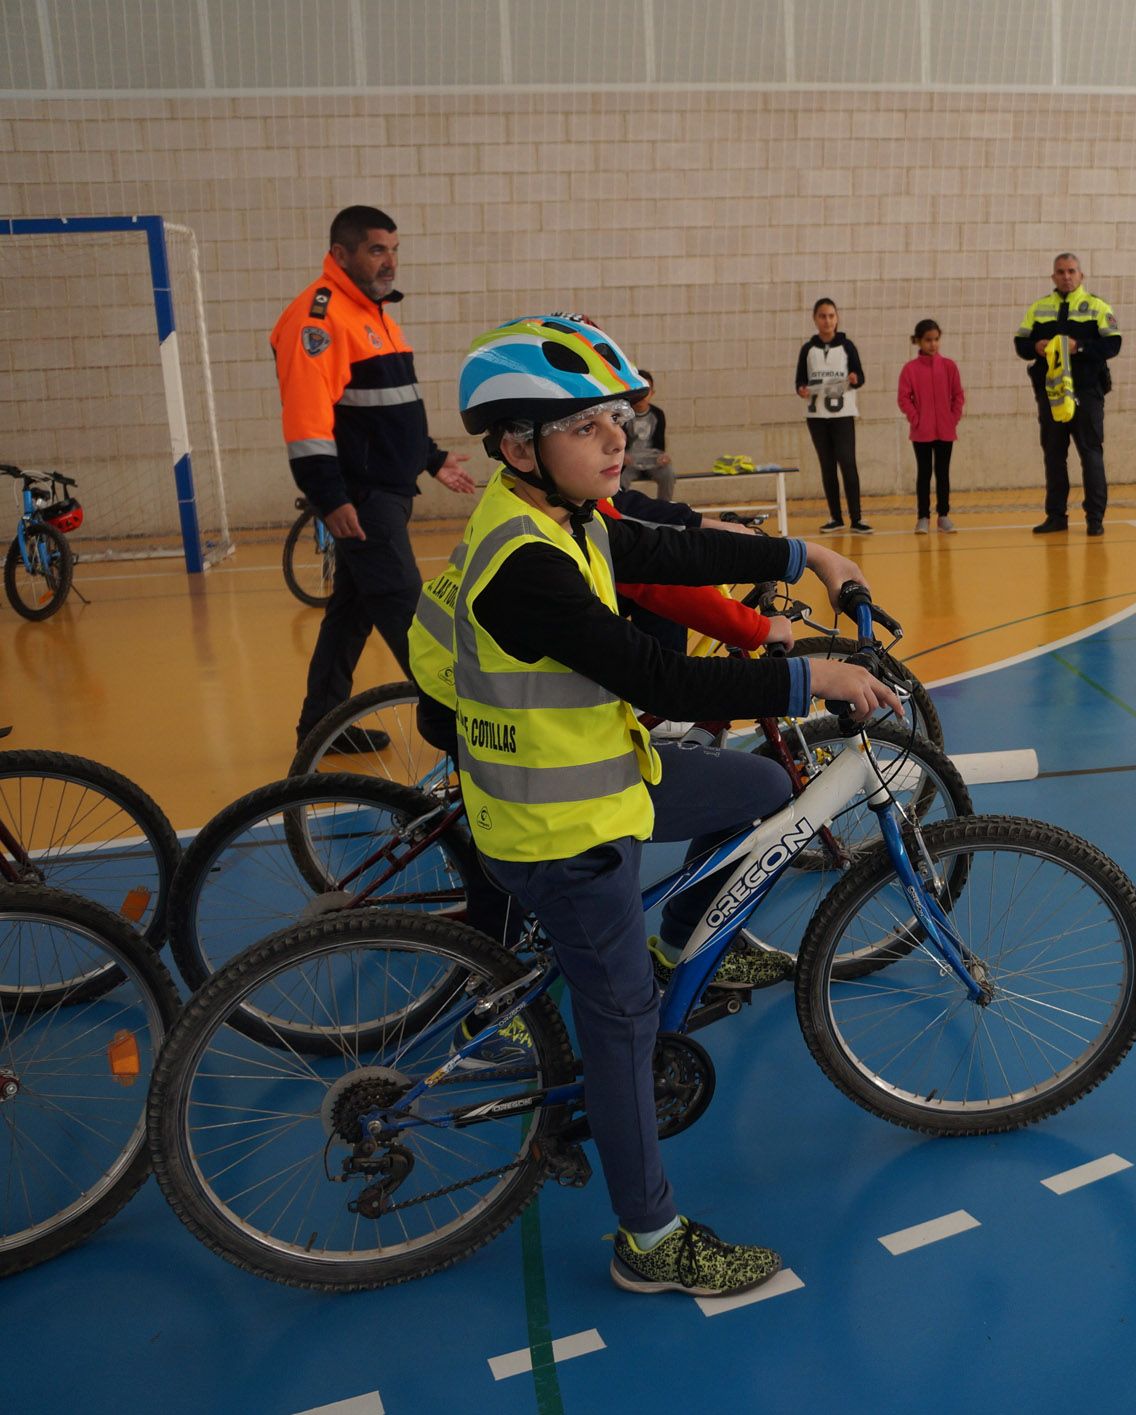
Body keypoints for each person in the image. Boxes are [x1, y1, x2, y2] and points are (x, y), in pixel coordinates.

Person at [412, 313, 897, 1297]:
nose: (614, 440)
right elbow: (658, 677)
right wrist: (818, 680)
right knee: (622, 1021)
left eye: (616, 421)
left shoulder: (565, 516)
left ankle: (680, 940)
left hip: (604, 778)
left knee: (762, 785)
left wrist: (805, 555)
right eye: (589, 426)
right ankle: (649, 1238)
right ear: (517, 446)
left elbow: (665, 548)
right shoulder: (524, 566)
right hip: (559, 829)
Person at [273, 205, 476, 753]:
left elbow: (387, 410)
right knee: (413, 622)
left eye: (393, 249)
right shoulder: (318, 320)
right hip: (361, 501)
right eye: (376, 249)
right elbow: (307, 423)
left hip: (385, 493)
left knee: (349, 618)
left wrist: (432, 458)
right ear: (341, 253)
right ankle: (466, 732)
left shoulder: (376, 313)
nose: (389, 261)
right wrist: (330, 497)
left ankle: (321, 728)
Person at [1015, 253, 1121, 536]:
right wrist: (1034, 347)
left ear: (1081, 275)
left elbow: (1113, 344)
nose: (1066, 276)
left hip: (1086, 392)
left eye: (1071, 271)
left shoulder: (1097, 307)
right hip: (1051, 392)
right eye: (1060, 272)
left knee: (1091, 453)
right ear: (1053, 277)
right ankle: (1056, 516)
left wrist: (1080, 347)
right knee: (1053, 454)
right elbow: (1020, 343)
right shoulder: (1039, 308)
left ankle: (1095, 519)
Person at [794, 298, 869, 533]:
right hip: (817, 417)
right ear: (815, 319)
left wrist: (855, 379)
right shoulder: (808, 349)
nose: (827, 321)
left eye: (831, 316)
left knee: (847, 463)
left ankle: (857, 518)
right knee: (827, 465)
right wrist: (802, 390)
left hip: (842, 414)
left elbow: (860, 377)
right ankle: (835, 517)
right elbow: (799, 381)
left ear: (837, 318)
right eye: (822, 316)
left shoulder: (847, 347)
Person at [897, 319, 965, 534]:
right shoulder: (910, 369)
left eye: (936, 339)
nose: (933, 344)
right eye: (928, 340)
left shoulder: (949, 366)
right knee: (924, 474)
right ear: (918, 341)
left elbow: (958, 395)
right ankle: (923, 517)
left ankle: (943, 515)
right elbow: (903, 398)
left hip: (945, 431)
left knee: (943, 474)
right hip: (921, 433)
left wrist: (952, 418)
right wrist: (916, 419)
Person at [622, 369, 674, 500]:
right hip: (630, 460)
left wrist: (663, 457)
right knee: (619, 478)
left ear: (652, 393)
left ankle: (664, 509)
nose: (642, 396)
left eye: (646, 391)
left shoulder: (658, 414)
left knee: (668, 474)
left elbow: (659, 445)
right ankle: (622, 511)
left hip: (651, 459)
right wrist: (622, 456)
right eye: (638, 391)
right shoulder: (624, 414)